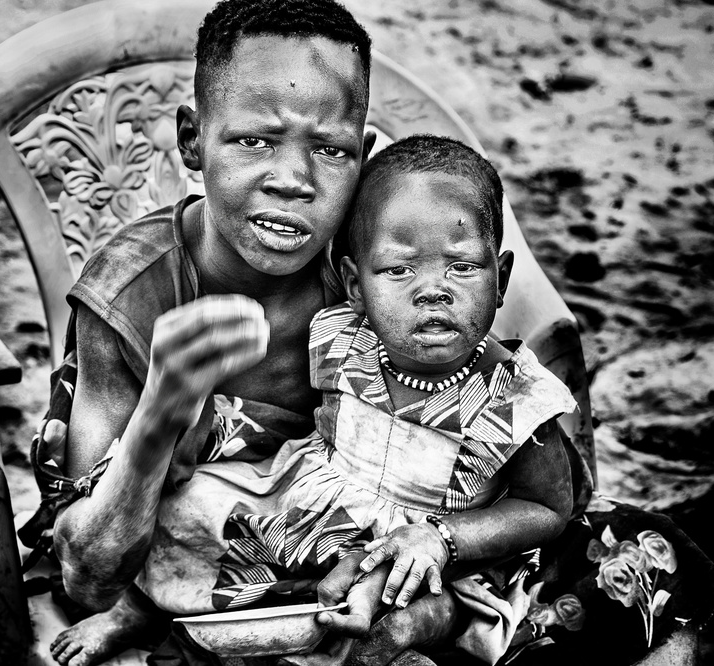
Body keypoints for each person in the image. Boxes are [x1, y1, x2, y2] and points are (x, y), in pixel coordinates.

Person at [21, 1, 589, 665]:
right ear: (190, 139)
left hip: (397, 543)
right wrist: (160, 415)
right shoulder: (131, 293)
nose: (292, 180)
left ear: (363, 157)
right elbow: (87, 579)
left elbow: (504, 305)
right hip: (202, 552)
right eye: (252, 140)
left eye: (330, 150)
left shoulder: (378, 260)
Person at [138, 134, 577, 666]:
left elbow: (549, 506)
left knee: (415, 610)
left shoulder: (517, 399)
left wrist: (442, 538)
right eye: (398, 270)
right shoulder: (343, 341)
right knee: (194, 505)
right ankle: (137, 610)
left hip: (434, 555)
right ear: (355, 284)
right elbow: (312, 426)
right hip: (315, 511)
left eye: (462, 267)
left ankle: (374, 642)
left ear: (501, 278)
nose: (433, 290)